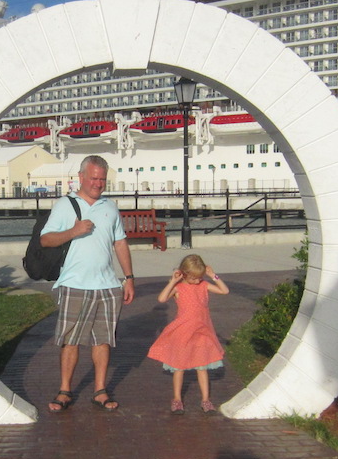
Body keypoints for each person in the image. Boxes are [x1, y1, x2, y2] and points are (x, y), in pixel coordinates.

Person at [40, 155, 135, 413]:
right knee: (70, 341)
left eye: (102, 178)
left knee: (102, 340)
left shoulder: (110, 207)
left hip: (107, 286)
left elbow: (120, 242)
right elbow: (46, 240)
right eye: (93, 178)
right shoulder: (64, 205)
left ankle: (100, 390)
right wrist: (73, 231)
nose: (98, 183)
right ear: (80, 177)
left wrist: (128, 278)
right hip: (74, 284)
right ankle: (64, 391)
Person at [147, 254, 229, 413]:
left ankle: (205, 400)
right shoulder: (179, 288)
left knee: (202, 366)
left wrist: (214, 276)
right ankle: (177, 399)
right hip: (183, 332)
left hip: (201, 332)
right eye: (193, 278)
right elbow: (162, 298)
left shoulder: (204, 285)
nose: (197, 281)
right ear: (184, 273)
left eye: (199, 277)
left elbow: (224, 291)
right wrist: (173, 281)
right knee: (179, 367)